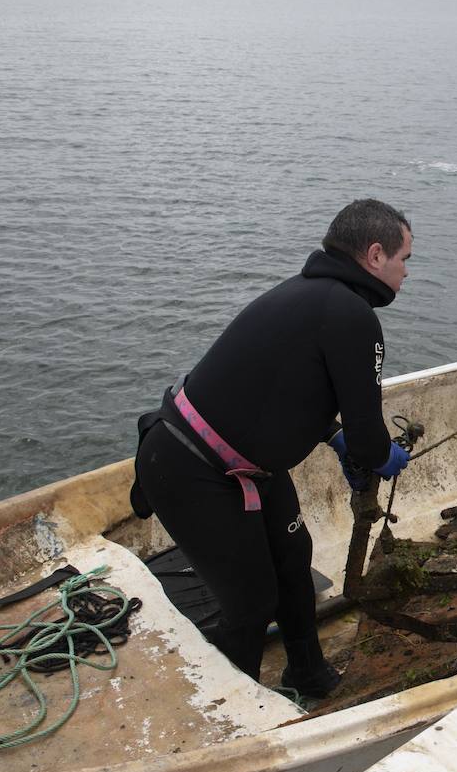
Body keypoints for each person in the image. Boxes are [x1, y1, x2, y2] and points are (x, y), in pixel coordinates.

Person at [129, 199, 414, 698]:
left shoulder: (313, 296)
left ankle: (307, 672)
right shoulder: (351, 314)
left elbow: (285, 390)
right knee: (251, 603)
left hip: (242, 465)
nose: (407, 273)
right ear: (374, 255)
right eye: (404, 258)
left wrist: (333, 435)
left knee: (292, 557)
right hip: (190, 467)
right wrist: (379, 454)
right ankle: (234, 715)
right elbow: (372, 442)